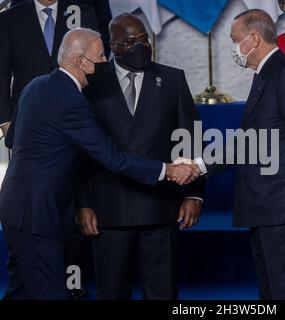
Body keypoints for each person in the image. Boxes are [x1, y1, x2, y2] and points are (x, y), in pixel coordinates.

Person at [0, 28, 199, 300]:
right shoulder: (71, 100)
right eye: (101, 56)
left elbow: (11, 140)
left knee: (19, 290)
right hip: (37, 213)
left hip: (14, 206)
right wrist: (168, 170)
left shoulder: (35, 85)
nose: (106, 61)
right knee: (51, 293)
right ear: (82, 62)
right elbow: (111, 158)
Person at [178, 9, 285, 300]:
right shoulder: (265, 74)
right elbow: (250, 141)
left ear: (253, 39)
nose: (234, 47)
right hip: (266, 208)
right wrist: (198, 164)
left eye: (235, 40)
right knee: (270, 290)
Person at [76, 14, 205, 300]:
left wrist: (194, 194)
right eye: (131, 42)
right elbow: (81, 152)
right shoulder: (91, 83)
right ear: (113, 45)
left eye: (144, 39)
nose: (141, 46)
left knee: (163, 293)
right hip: (109, 210)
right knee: (112, 292)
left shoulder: (172, 78)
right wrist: (82, 204)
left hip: (160, 206)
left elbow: (190, 138)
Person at [0, 0, 99, 137]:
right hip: (27, 118)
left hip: (76, 118)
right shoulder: (9, 18)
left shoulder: (84, 14)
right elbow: (1, 72)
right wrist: (5, 121)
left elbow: (96, 65)